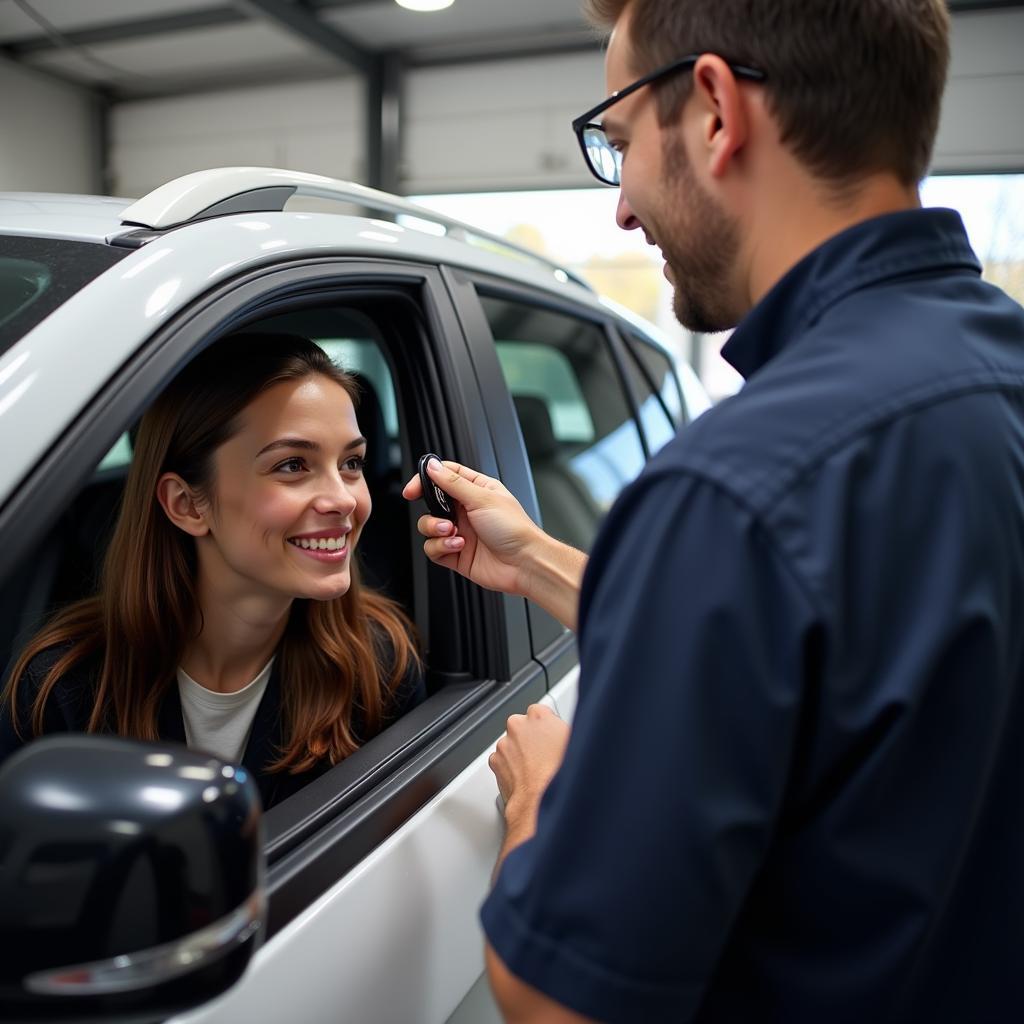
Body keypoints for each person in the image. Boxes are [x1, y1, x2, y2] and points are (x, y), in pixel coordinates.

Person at [404, 0, 1024, 1020]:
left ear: (713, 110)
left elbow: (561, 1001)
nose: (620, 210)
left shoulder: (731, 485)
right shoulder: (987, 376)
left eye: (617, 145)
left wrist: (541, 802)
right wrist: (539, 563)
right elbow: (857, 646)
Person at [1, 332, 424, 810]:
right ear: (187, 505)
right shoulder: (61, 687)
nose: (345, 498)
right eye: (292, 465)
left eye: (351, 463)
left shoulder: (378, 665)